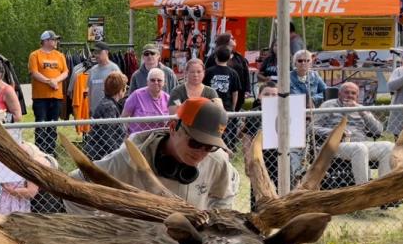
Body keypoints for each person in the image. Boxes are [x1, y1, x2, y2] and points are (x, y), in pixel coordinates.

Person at [67, 97, 238, 212]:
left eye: (210, 147)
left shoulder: (217, 161)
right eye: (195, 143)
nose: (202, 153)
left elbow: (224, 196)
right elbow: (75, 183)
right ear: (173, 127)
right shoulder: (129, 160)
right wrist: (97, 232)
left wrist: (214, 227)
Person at [312, 82, 392, 187]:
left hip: (361, 143)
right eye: (346, 92)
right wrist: (335, 132)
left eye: (353, 93)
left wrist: (362, 112)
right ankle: (363, 189)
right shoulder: (328, 105)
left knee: (389, 146)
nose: (350, 95)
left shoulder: (361, 108)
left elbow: (378, 130)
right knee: (359, 148)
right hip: (335, 145)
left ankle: (384, 188)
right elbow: (312, 128)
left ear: (357, 96)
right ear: (339, 94)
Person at [28, 30, 69, 154]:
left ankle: (50, 149)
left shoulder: (60, 55)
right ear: (45, 41)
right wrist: (48, 81)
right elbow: (34, 72)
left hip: (56, 96)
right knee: (41, 121)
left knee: (53, 123)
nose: (56, 42)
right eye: (54, 39)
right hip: (40, 97)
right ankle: (40, 150)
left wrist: (55, 80)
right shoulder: (35, 55)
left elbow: (65, 72)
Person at [240, 82, 279, 211]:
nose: (271, 97)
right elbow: (246, 138)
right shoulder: (253, 114)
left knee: (282, 191)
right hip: (260, 157)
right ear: (259, 97)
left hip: (281, 157)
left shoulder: (285, 112)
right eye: (267, 94)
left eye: (274, 95)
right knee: (257, 191)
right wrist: (248, 161)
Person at [84, 71, 127, 161]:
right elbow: (108, 135)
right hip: (101, 156)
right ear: (120, 90)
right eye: (125, 87)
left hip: (100, 153)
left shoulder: (108, 103)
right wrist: (117, 156)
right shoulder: (109, 107)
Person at [0, 142, 47, 215]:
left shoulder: (28, 169)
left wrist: (13, 191)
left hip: (18, 199)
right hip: (5, 199)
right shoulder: (7, 165)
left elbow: (31, 192)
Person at [123, 68, 170, 135]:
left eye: (159, 80)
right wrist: (127, 134)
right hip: (138, 138)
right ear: (147, 82)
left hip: (159, 137)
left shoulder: (167, 98)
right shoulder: (137, 95)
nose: (156, 82)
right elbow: (124, 116)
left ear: (164, 83)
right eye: (152, 80)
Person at [204, 33, 250, 101]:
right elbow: (206, 73)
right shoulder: (214, 57)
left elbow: (246, 73)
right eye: (231, 38)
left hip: (238, 91)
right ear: (225, 41)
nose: (234, 39)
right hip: (218, 94)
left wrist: (247, 89)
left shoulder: (238, 57)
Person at [84, 41, 121, 112]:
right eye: (95, 53)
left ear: (106, 52)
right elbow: (89, 91)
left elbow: (120, 91)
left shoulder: (114, 69)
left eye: (99, 52)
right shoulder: (92, 70)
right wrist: (89, 109)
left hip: (110, 112)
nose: (96, 55)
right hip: (95, 112)